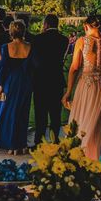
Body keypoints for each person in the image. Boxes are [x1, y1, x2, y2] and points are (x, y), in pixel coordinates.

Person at [61, 13, 101, 160]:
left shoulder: (82, 41)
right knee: (99, 125)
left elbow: (75, 67)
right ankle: (98, 158)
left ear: (87, 26)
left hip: (86, 86)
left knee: (81, 123)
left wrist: (68, 92)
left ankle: (80, 158)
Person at [0, 20, 33, 155]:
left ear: (11, 32)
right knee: (22, 113)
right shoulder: (30, 46)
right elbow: (32, 67)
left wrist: (0, 86)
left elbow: (3, 68)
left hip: (11, 82)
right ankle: (21, 143)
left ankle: (11, 144)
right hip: (25, 82)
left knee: (9, 112)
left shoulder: (6, 47)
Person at [32, 14, 70, 144]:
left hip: (41, 79)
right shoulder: (64, 40)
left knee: (40, 113)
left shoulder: (37, 39)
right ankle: (55, 141)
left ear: (46, 24)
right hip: (56, 79)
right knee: (55, 113)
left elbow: (35, 60)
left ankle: (39, 141)